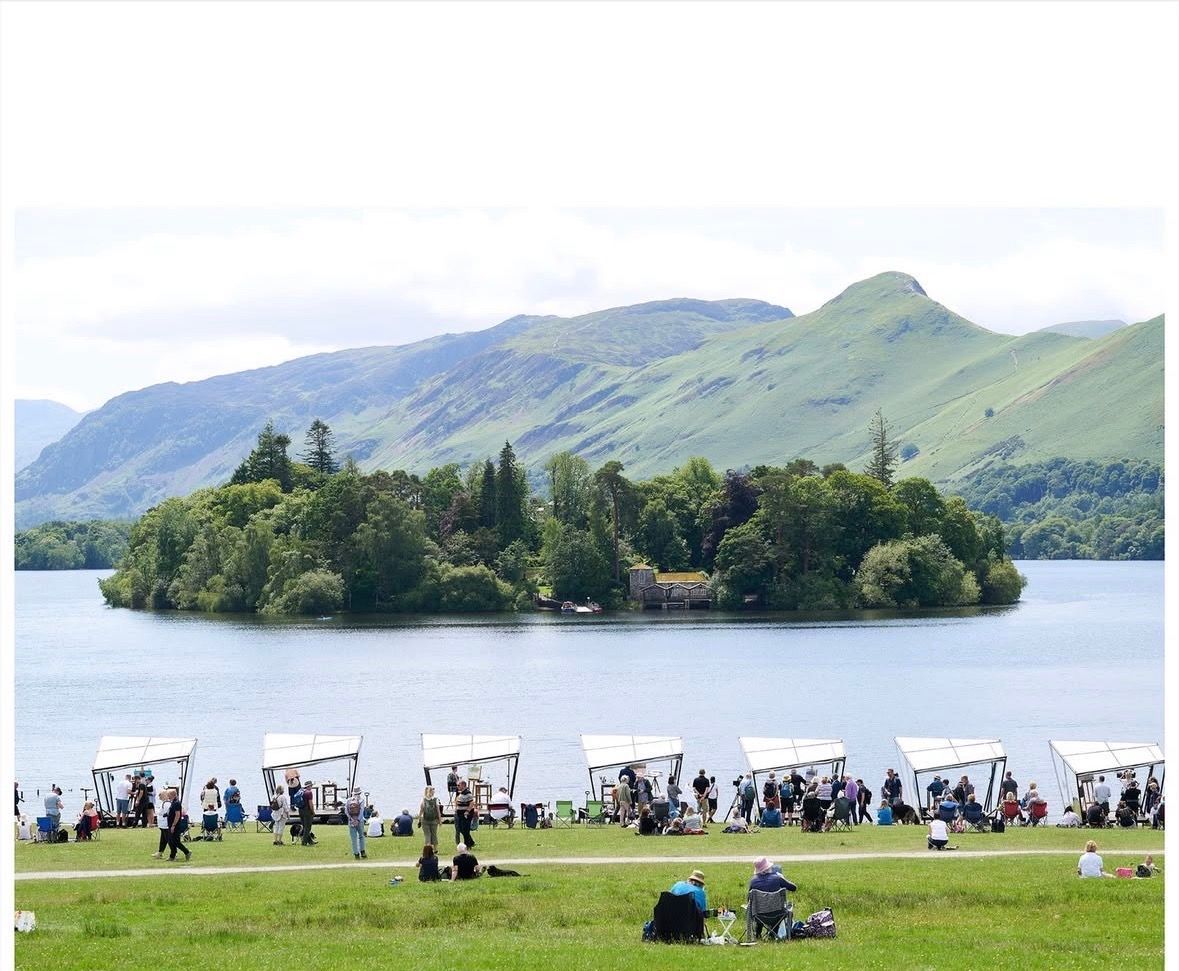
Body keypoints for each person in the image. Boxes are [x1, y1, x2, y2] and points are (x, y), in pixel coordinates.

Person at [747, 857, 796, 938]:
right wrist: (782, 879)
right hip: (777, 914)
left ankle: (758, 933)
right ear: (769, 867)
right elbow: (794, 888)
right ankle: (773, 933)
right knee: (777, 910)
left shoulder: (753, 881)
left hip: (758, 915)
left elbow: (749, 899)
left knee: (760, 908)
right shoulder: (777, 878)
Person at [166, 789, 191, 863]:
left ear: (172, 795)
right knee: (170, 841)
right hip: (171, 824)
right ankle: (172, 856)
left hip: (175, 825)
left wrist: (173, 825)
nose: (168, 796)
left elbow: (177, 815)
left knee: (176, 841)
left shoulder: (176, 803)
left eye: (168, 795)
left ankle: (187, 852)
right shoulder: (173, 802)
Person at [453, 780, 477, 849]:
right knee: (460, 829)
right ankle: (471, 842)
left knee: (465, 829)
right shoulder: (461, 793)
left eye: (458, 785)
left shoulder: (468, 793)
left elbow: (472, 803)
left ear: (463, 785)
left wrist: (467, 811)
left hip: (466, 814)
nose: (457, 787)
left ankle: (468, 844)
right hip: (460, 814)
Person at [345, 787, 367, 859]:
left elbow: (346, 811)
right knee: (361, 836)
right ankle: (362, 851)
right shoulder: (361, 800)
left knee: (353, 838)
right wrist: (357, 820)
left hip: (351, 821)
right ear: (360, 793)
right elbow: (361, 812)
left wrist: (351, 819)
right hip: (359, 821)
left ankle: (356, 854)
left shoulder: (348, 800)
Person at [152, 788, 173, 858]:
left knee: (168, 840)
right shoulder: (163, 803)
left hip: (165, 825)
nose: (159, 796)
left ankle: (174, 853)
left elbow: (168, 813)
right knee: (163, 840)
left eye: (160, 795)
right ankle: (160, 852)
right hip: (162, 825)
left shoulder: (166, 804)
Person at [298, 780, 316, 846]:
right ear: (309, 786)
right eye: (311, 785)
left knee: (305, 826)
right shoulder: (309, 793)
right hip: (307, 810)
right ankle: (304, 842)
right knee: (308, 827)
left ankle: (310, 841)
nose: (312, 787)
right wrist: (313, 811)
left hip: (300, 810)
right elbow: (310, 803)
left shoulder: (301, 791)